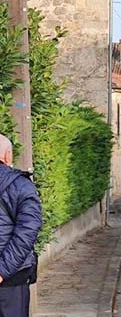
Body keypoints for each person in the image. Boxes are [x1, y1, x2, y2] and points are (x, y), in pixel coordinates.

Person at [0, 134, 42, 317]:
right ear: (8, 156)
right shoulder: (21, 185)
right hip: (11, 280)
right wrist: (2, 270)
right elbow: (27, 231)